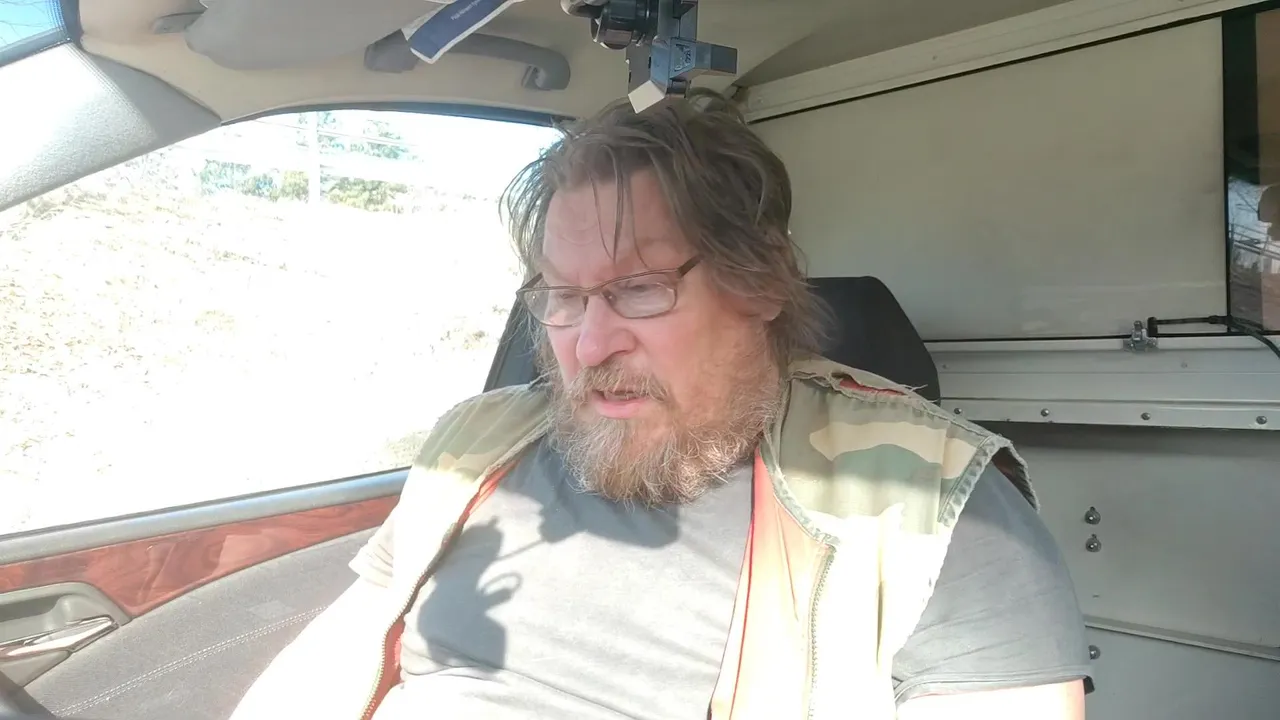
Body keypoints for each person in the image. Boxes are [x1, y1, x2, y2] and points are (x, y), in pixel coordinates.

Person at [229, 90, 1092, 720]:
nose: (587, 345)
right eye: (563, 297)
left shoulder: (934, 513)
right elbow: (333, 663)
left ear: (759, 285)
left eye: (638, 289)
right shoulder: (476, 442)